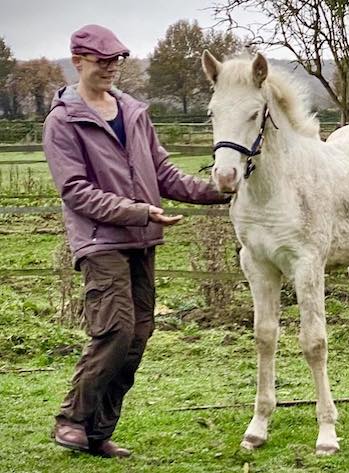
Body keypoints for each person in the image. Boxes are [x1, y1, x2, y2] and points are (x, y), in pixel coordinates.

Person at [43, 24, 229, 458]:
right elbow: (75, 191)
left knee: (138, 335)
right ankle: (71, 419)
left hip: (142, 240)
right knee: (116, 330)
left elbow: (163, 173)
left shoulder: (132, 112)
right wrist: (139, 211)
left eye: (116, 60)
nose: (111, 68)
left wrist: (219, 191)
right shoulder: (63, 121)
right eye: (102, 60)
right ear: (78, 62)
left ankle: (97, 433)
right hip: (100, 240)